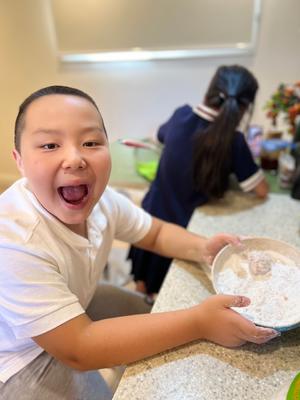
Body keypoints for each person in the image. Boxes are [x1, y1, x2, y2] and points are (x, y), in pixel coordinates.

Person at [0, 85, 277, 400]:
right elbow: (79, 348)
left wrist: (202, 247)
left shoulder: (104, 202)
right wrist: (199, 322)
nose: (74, 159)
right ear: (19, 161)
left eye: (90, 142)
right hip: (20, 358)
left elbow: (155, 233)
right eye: (50, 145)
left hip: (75, 300)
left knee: (151, 311)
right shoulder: (14, 240)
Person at [129, 65, 268, 296]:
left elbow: (159, 137)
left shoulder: (181, 114)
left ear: (209, 92)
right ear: (244, 108)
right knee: (165, 290)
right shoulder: (234, 141)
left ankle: (140, 294)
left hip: (150, 216)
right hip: (184, 231)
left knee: (143, 278)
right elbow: (261, 189)